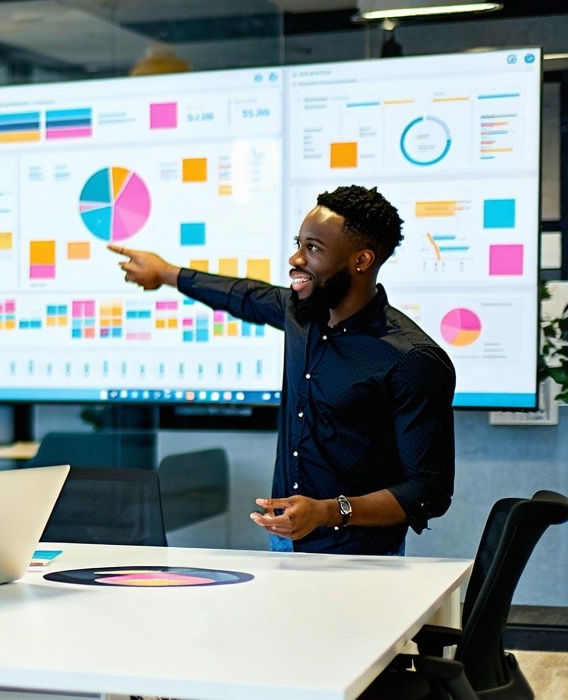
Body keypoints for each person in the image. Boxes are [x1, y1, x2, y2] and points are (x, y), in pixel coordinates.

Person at [109, 185, 455, 555]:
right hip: (285, 543)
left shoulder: (411, 359)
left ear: (361, 260)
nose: (296, 258)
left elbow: (426, 492)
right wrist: (165, 273)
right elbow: (243, 295)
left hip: (360, 555)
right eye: (298, 244)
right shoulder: (302, 314)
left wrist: (327, 512)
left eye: (313, 248)